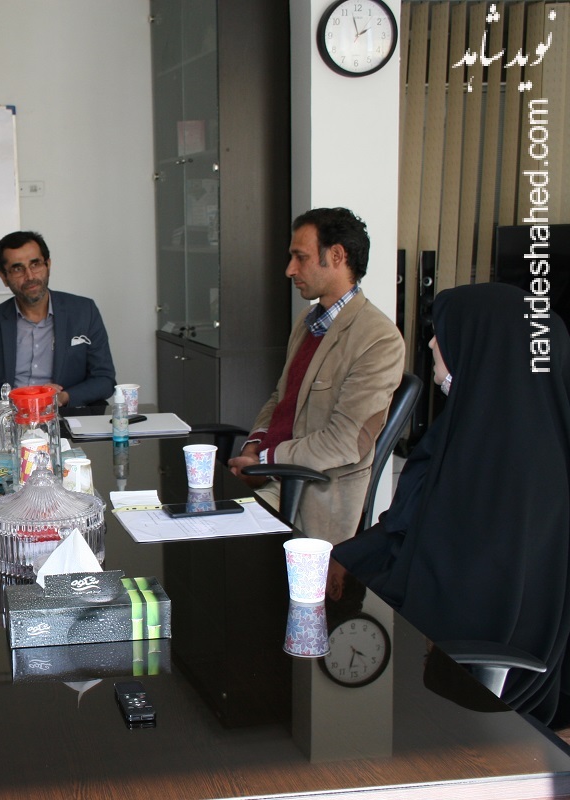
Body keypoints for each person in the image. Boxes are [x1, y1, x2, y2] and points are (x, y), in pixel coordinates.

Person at [335, 282, 570, 726]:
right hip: (423, 636)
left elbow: (462, 595)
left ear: (483, 348)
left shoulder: (512, 467)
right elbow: (405, 528)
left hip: (462, 680)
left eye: (443, 334)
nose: (430, 344)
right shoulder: (473, 429)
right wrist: (338, 560)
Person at [227, 207, 404, 544]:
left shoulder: (378, 338)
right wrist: (254, 447)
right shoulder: (309, 321)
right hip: (273, 477)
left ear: (336, 256)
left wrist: (264, 460)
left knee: (213, 543)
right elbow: (281, 398)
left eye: (301, 257)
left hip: (313, 496)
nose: (290, 269)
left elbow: (344, 442)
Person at [0, 230, 116, 410]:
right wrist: (22, 402)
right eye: (18, 269)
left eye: (35, 264)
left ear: (48, 265)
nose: (30, 276)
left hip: (64, 415)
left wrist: (63, 397)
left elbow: (105, 379)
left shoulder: (84, 311)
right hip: (12, 418)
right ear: (4, 277)